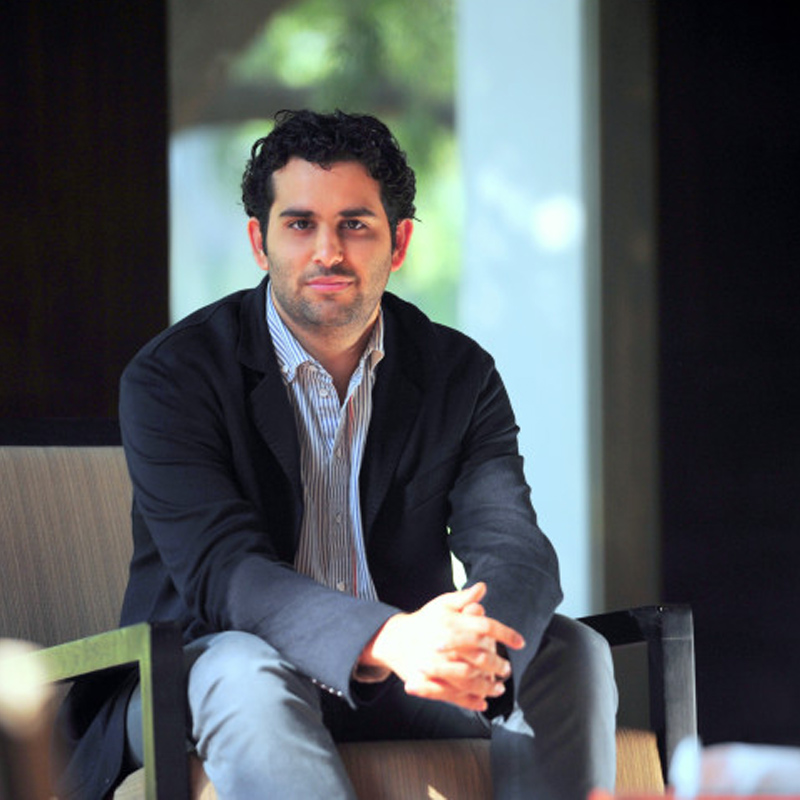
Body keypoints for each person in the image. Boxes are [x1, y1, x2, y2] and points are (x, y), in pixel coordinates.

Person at [55, 109, 617, 799]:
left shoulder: (458, 374)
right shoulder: (173, 376)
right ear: (260, 242)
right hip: (203, 670)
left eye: (355, 224)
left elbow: (513, 543)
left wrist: (473, 644)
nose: (328, 252)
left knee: (569, 649)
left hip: (399, 680)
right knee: (245, 672)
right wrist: (388, 637)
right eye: (300, 224)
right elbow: (226, 574)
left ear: (399, 242)